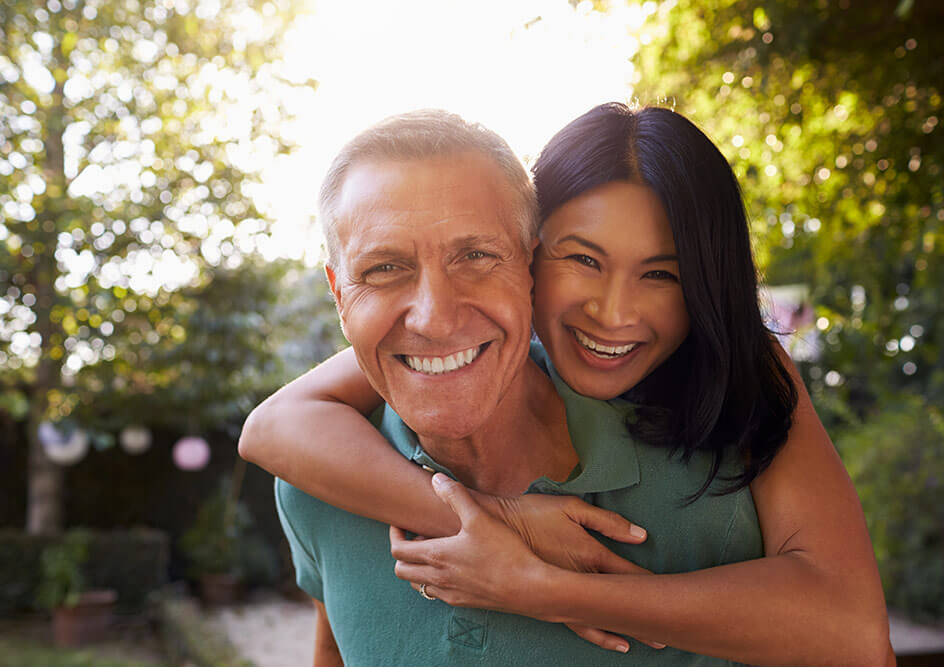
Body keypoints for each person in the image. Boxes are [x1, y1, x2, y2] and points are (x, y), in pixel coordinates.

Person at [242, 105, 893, 665]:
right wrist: (500, 520)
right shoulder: (323, 481)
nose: (613, 313)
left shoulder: (731, 414)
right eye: (583, 258)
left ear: (518, 262)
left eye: (476, 255)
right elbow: (275, 427)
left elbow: (855, 636)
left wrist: (541, 585)